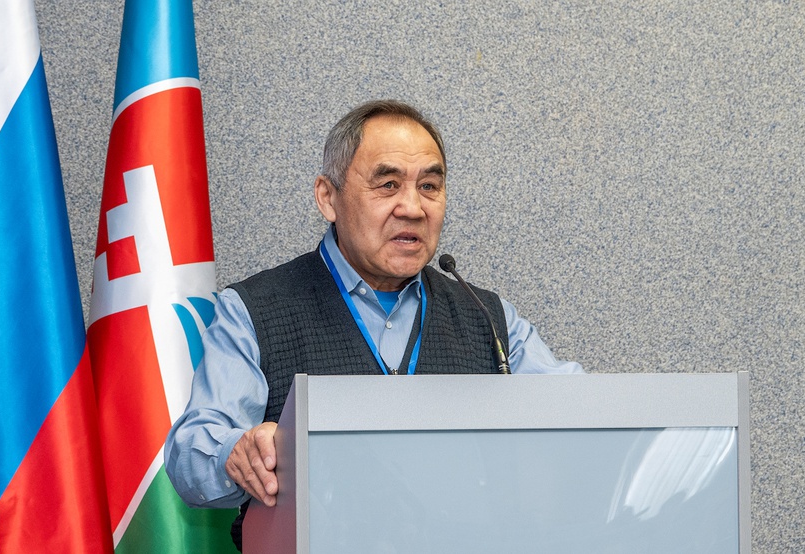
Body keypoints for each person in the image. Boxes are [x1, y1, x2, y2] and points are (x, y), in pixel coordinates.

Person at [164, 99, 583, 549]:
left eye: (429, 186)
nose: (413, 208)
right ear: (328, 197)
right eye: (388, 185)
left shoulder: (488, 317)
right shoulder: (256, 309)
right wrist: (236, 453)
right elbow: (191, 450)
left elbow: (582, 415)